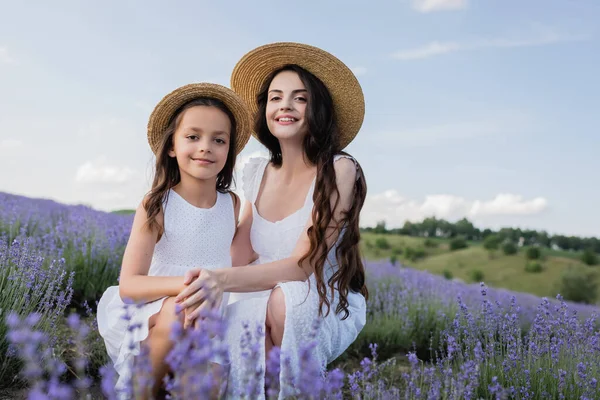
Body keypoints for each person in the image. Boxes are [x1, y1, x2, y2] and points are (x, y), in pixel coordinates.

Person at [175, 42, 369, 399]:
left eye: (300, 98)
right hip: (260, 286)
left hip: (316, 292)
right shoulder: (257, 170)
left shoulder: (339, 169)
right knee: (235, 324)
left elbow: (302, 265)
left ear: (319, 108)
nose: (285, 106)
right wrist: (201, 287)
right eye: (276, 97)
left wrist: (221, 280)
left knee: (284, 302)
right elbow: (240, 252)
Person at [96, 82, 252, 398]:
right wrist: (190, 288)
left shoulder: (233, 205)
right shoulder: (157, 205)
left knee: (202, 379)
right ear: (171, 146)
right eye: (193, 137)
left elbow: (238, 265)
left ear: (229, 150)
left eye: (218, 140)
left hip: (209, 315)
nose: (206, 146)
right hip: (157, 312)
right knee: (178, 314)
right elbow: (129, 285)